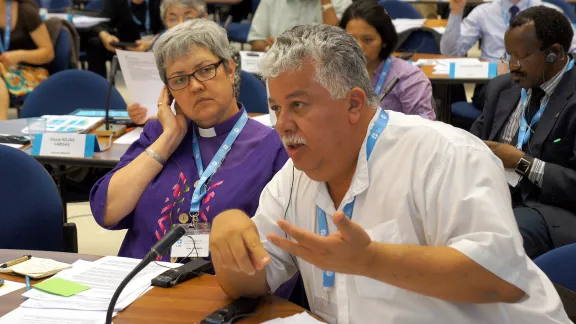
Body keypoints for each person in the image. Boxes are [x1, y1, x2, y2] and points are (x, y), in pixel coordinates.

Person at [208, 24, 571, 323]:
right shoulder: (294, 177)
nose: (281, 125)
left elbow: (500, 281)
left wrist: (371, 261)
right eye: (275, 108)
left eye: (297, 105)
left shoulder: (445, 155)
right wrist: (228, 239)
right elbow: (252, 281)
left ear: (352, 103)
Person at [89, 19, 288, 261]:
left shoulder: (273, 148)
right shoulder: (158, 134)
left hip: (216, 290)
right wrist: (169, 138)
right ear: (168, 92)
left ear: (230, 69)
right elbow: (106, 211)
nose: (195, 86)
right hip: (137, 286)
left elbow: (278, 255)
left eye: (205, 70)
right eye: (179, 79)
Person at [471, 7, 576, 259]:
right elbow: (472, 141)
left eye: (523, 56)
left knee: (493, 241)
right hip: (493, 192)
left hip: (550, 208)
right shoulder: (502, 88)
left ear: (555, 53)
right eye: (509, 56)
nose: (513, 66)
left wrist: (522, 163)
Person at [440, 0, 576, 109]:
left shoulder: (548, 12)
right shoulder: (483, 12)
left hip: (537, 80)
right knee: (504, 94)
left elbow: (573, 47)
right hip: (491, 82)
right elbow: (451, 52)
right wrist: (456, 12)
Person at [128, 0, 242, 125]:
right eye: (173, 19)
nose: (180, 24)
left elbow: (220, 105)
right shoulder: (157, 52)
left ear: (204, 17)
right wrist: (142, 111)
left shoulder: (223, 51)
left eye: (188, 18)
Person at [339, 0, 435, 120]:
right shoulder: (335, 72)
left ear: (384, 40)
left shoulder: (409, 78)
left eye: (368, 40)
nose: (359, 47)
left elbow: (424, 130)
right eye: (351, 39)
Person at [0, 0, 54, 120]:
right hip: (4, 72)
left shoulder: (26, 12)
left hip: (29, 73)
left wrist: (20, 55)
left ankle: (2, 132)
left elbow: (48, 53)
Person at [85, 0, 163, 78]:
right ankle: (100, 86)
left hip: (156, 45)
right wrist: (105, 36)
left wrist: (152, 43)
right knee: (95, 43)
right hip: (122, 46)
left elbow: (169, 26)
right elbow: (99, 24)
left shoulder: (160, 2)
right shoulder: (115, 2)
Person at [247, 0, 352, 52]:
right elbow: (256, 40)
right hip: (278, 67)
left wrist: (326, 3)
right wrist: (270, 49)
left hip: (324, 70)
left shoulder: (341, 2)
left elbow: (337, 42)